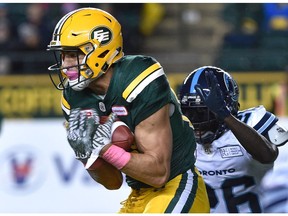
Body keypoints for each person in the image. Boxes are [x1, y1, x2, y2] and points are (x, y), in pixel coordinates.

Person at [46, 7, 209, 213]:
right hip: (138, 194)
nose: (66, 65)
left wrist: (104, 148)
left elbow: (159, 173)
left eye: (73, 54)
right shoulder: (73, 98)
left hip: (176, 185)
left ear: (101, 49)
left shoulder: (138, 77)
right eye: (62, 56)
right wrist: (85, 152)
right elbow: (112, 182)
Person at [178, 66, 288, 213]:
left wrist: (226, 116)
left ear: (227, 107)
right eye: (189, 112)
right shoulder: (179, 134)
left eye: (203, 112)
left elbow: (267, 155)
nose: (196, 121)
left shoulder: (253, 121)